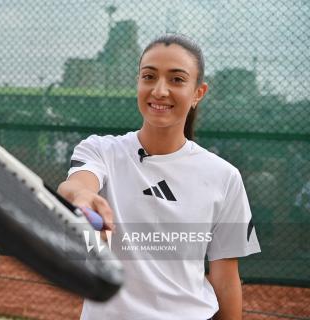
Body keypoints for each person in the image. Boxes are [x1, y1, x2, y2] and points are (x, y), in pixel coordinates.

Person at [58, 34, 261, 320]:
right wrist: (81, 196)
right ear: (138, 82)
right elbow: (77, 184)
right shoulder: (100, 150)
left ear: (198, 93)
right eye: (149, 76)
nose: (160, 90)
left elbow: (225, 277)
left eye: (177, 79)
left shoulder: (225, 176)